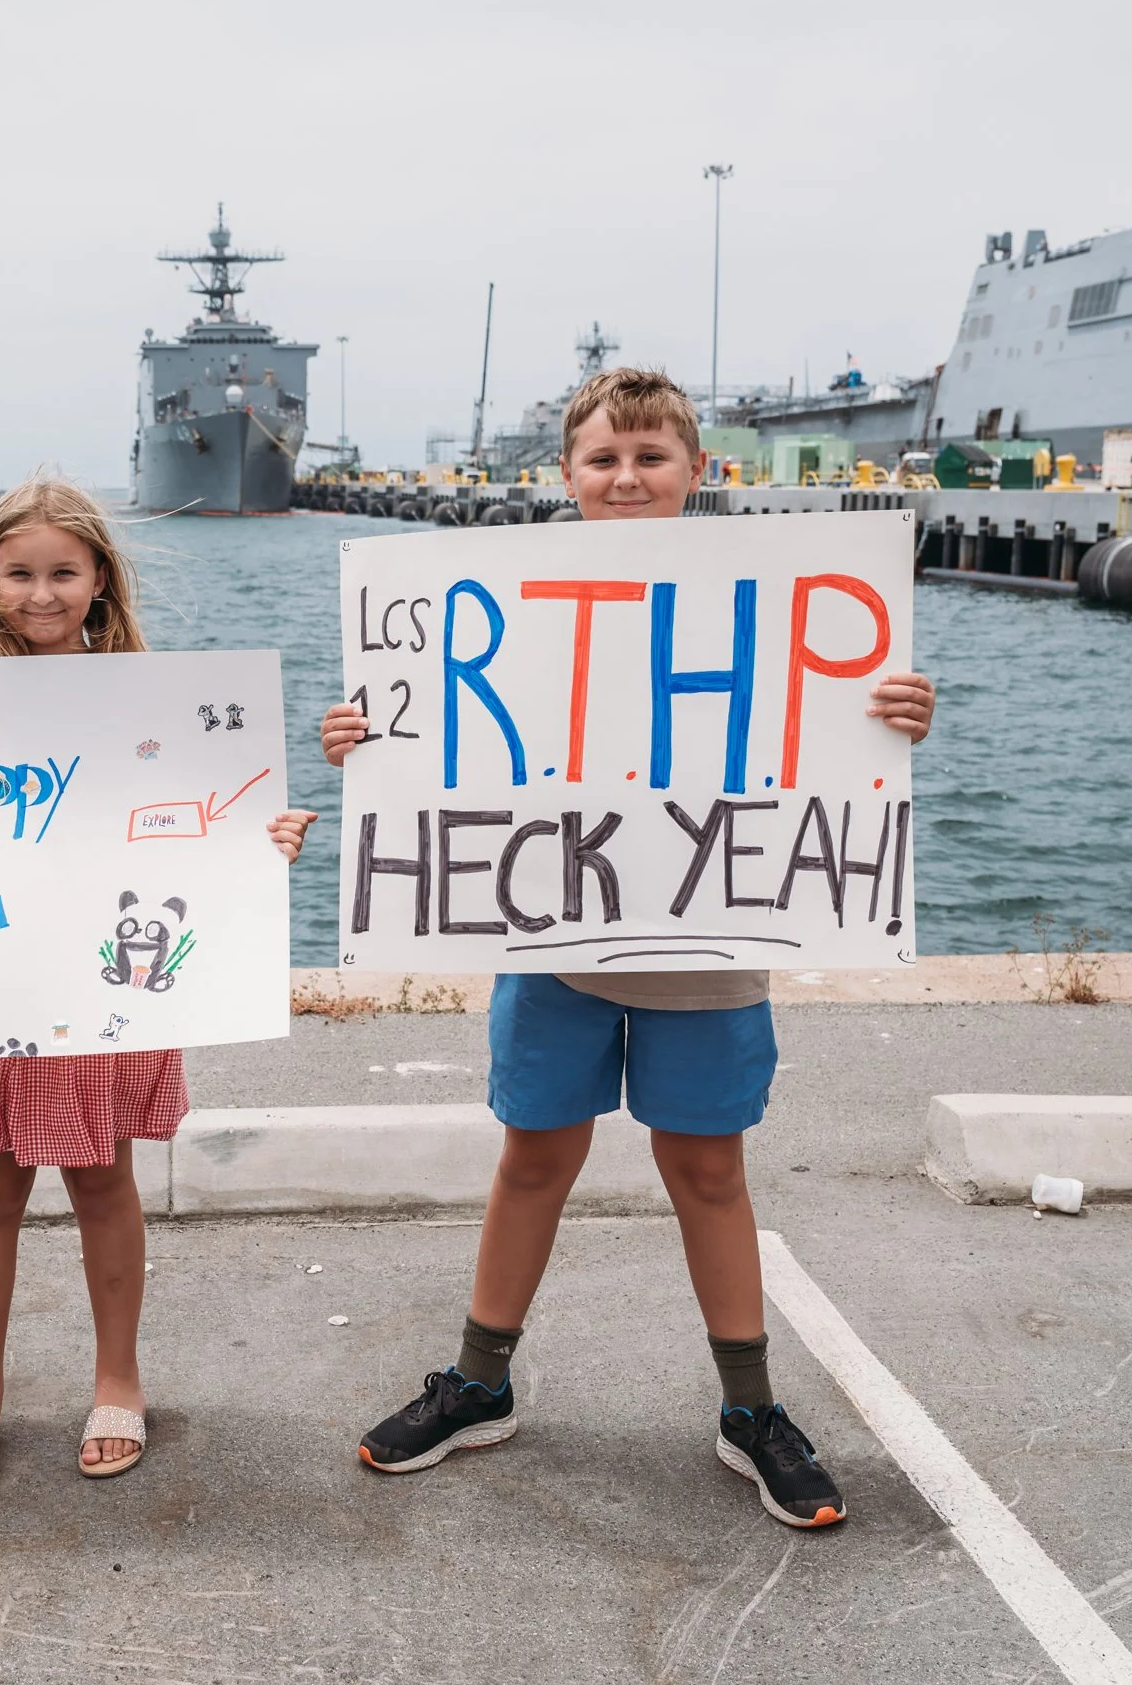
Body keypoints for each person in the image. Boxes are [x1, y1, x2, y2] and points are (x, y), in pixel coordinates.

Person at [321, 369, 936, 1530]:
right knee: (532, 1160)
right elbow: (431, 728)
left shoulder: (763, 588)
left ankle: (749, 1409)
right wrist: (365, 733)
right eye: (603, 458)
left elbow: (827, 718)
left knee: (708, 1171)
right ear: (566, 475)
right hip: (549, 941)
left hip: (708, 944)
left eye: (652, 456)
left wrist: (896, 712)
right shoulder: (501, 591)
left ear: (697, 471)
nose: (626, 476)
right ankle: (479, 1379)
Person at [0, 478, 316, 1501]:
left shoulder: (155, 700)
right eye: (21, 573)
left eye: (63, 571)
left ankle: (118, 1379)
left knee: (103, 1177)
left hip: (104, 979)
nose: (42, 592)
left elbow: (202, 819)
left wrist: (263, 838)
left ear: (99, 579)